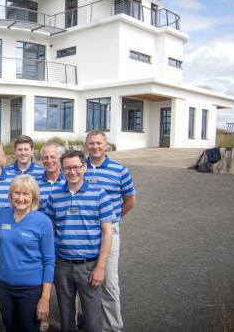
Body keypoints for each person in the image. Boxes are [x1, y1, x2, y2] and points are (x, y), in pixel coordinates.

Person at [45, 150, 115, 332]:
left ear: (84, 167)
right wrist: (51, 266)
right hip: (63, 266)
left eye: (76, 167)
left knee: (92, 322)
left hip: (89, 267)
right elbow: (51, 232)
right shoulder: (54, 197)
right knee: (67, 321)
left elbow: (108, 233)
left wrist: (100, 268)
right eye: (67, 168)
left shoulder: (100, 195)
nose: (72, 172)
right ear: (61, 169)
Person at [83, 130, 136, 332]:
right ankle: (88, 320)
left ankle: (112, 326)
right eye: (91, 143)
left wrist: (112, 220)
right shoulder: (81, 167)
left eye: (99, 143)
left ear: (106, 145)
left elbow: (130, 201)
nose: (95, 147)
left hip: (109, 231)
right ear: (86, 145)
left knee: (109, 281)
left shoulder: (119, 170)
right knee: (85, 278)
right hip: (84, 231)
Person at [0, 175, 55, 332]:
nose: (20, 198)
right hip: (4, 286)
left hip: (31, 289)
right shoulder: (2, 215)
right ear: (10, 195)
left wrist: (45, 298)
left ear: (34, 196)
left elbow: (49, 262)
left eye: (26, 194)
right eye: (16, 193)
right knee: (10, 327)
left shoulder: (43, 222)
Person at [36, 142, 66, 212]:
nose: (49, 161)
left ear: (60, 158)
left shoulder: (68, 181)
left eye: (53, 157)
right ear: (41, 160)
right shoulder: (34, 183)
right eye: (46, 157)